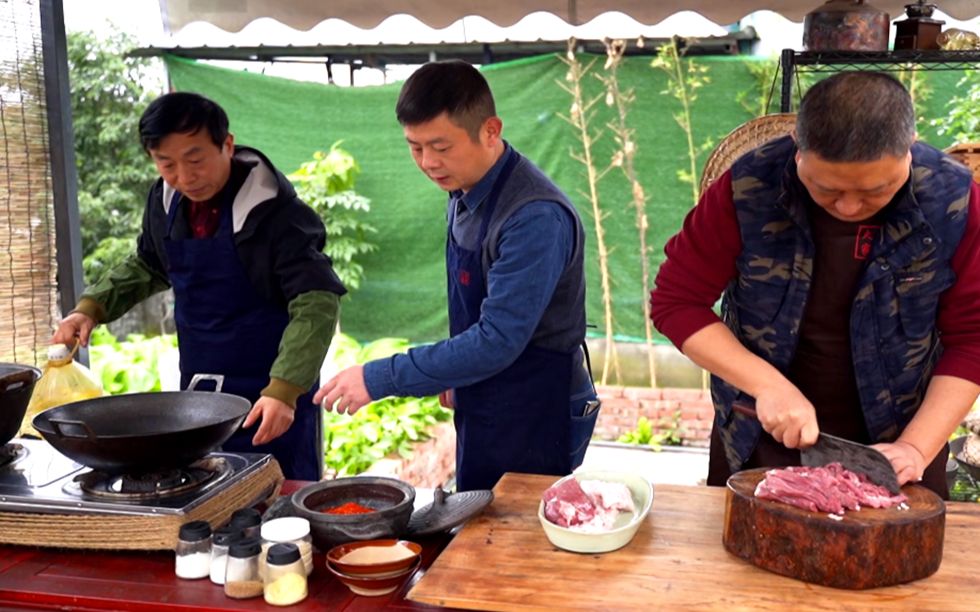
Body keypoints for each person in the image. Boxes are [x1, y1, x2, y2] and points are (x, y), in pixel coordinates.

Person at [650, 71, 980, 499]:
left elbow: (972, 338)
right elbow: (676, 301)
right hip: (763, 432)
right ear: (798, 146)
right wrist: (767, 385)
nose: (848, 206)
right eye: (826, 189)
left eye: (875, 191)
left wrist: (916, 446)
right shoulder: (749, 188)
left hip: (902, 441)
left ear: (911, 147)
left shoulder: (954, 202)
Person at [314, 60, 599, 492]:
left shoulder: (533, 217)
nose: (428, 162)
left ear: (490, 130)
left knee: (515, 539)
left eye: (441, 147)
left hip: (535, 405)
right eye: (415, 147)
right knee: (478, 519)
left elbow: (498, 339)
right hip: (486, 390)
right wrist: (453, 372)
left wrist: (379, 377)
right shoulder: (464, 190)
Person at [52, 92, 346, 480]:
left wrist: (285, 389)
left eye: (195, 159)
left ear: (227, 144)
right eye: (166, 164)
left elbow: (316, 301)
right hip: (198, 390)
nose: (184, 177)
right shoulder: (165, 201)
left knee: (276, 495)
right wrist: (90, 308)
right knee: (202, 486)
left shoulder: (278, 214)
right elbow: (150, 264)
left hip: (269, 390)